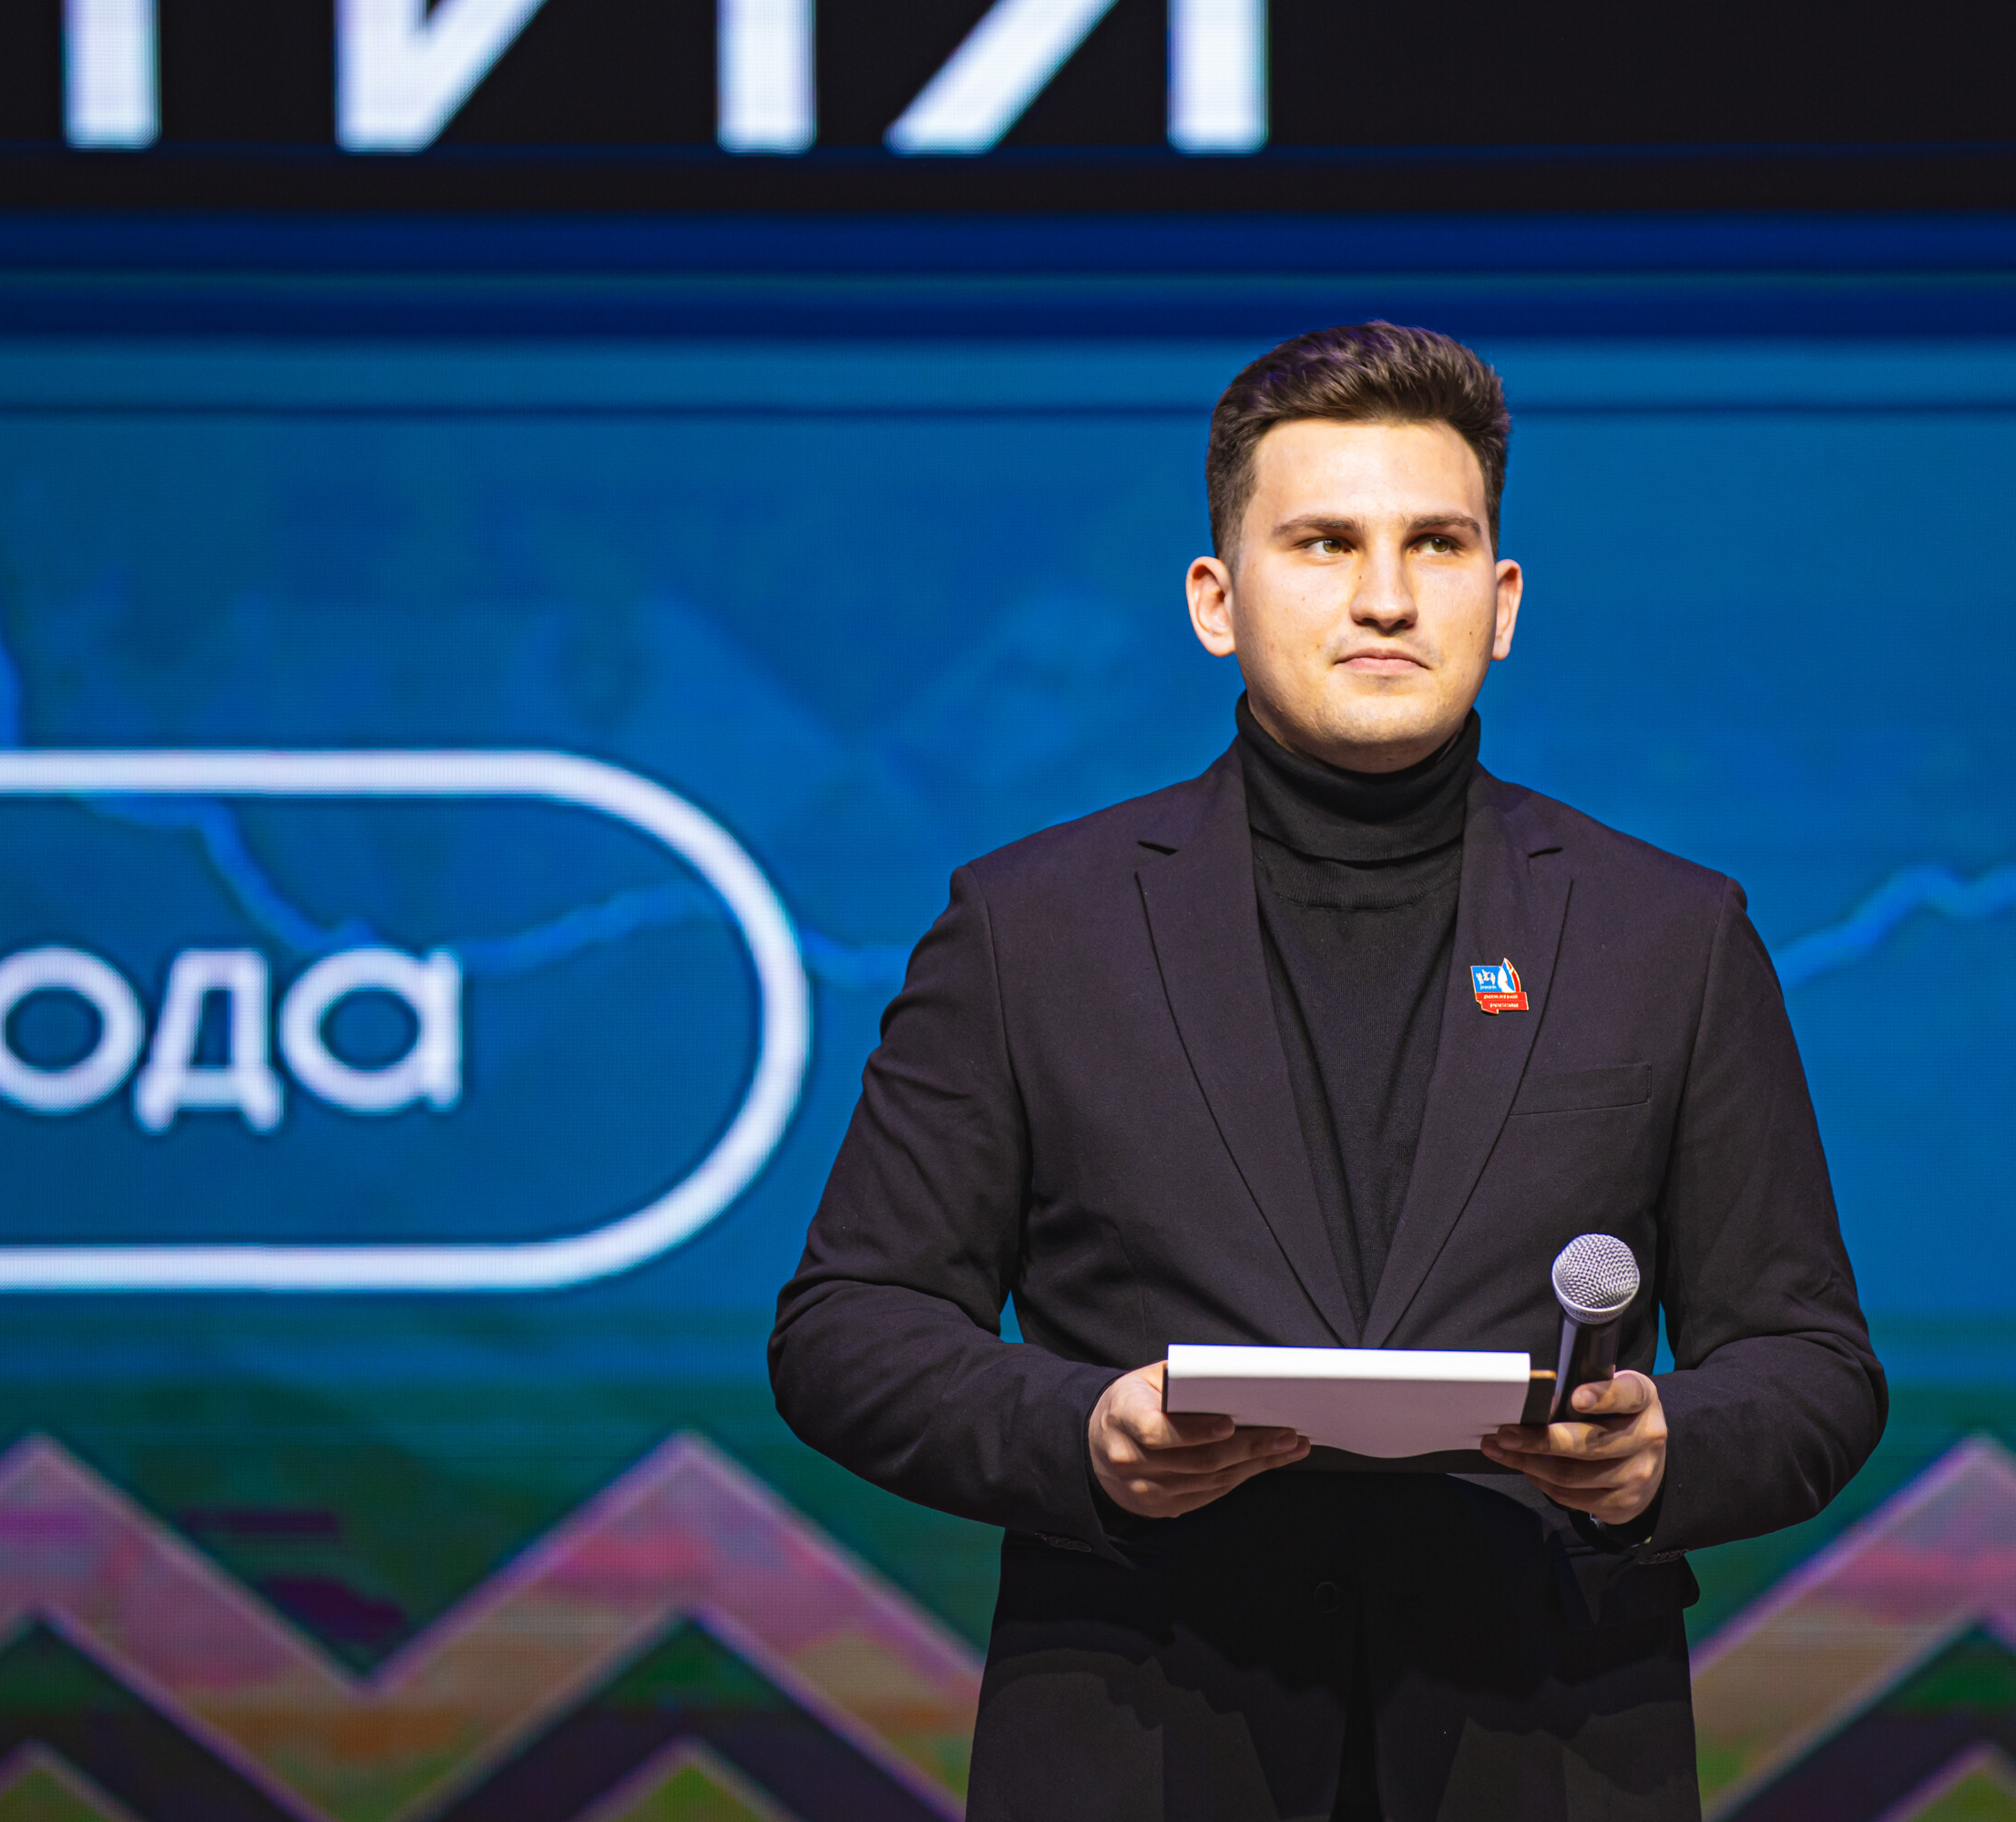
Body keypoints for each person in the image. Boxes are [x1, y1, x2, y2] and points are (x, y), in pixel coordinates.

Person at [772, 322, 1885, 1821]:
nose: (1384, 596)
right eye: (1324, 543)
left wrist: (1663, 1456)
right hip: (1143, 1744)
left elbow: (1812, 1364)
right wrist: (1082, 1435)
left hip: (1545, 1749)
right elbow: (848, 1325)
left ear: (1502, 602)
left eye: (1436, 544)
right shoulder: (1030, 927)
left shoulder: (1670, 934)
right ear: (1215, 600)